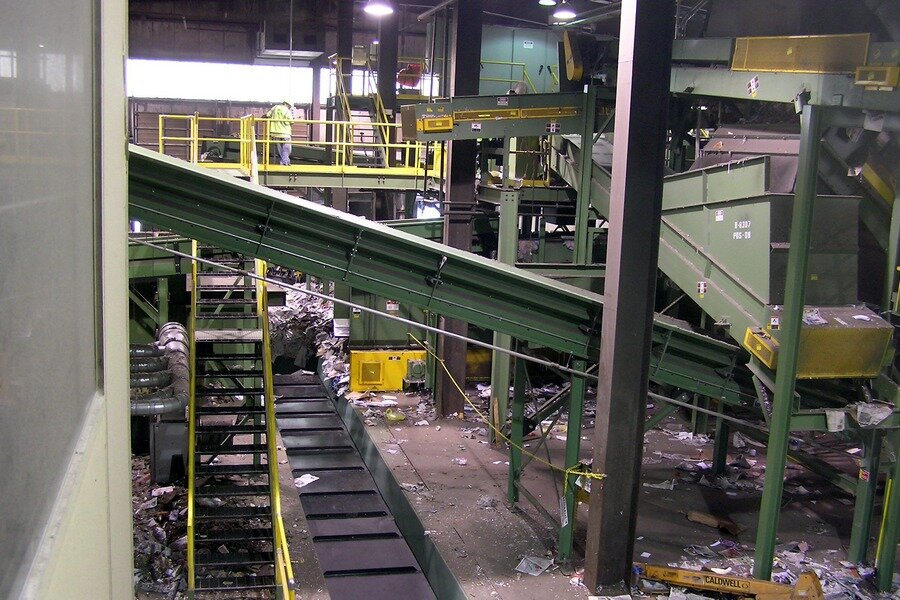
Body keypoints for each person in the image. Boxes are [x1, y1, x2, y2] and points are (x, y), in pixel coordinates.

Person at [265, 99, 293, 165]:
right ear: (288, 105)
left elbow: (267, 115)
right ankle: (284, 162)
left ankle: (285, 161)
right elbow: (291, 122)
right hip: (285, 133)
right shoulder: (287, 111)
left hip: (274, 132)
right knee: (287, 148)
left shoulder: (275, 107)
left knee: (280, 148)